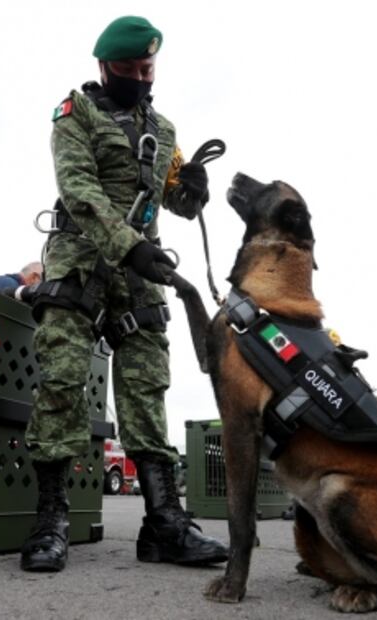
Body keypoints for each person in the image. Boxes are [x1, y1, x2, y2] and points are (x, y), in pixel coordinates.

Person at [20, 16, 226, 572]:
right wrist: (125, 243)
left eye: (148, 68)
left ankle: (163, 524)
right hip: (81, 257)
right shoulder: (76, 113)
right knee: (63, 378)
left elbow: (176, 203)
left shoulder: (163, 128)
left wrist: (193, 192)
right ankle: (51, 520)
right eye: (130, 69)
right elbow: (79, 189)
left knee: (146, 384)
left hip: (140, 270)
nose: (141, 77)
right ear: (104, 67)